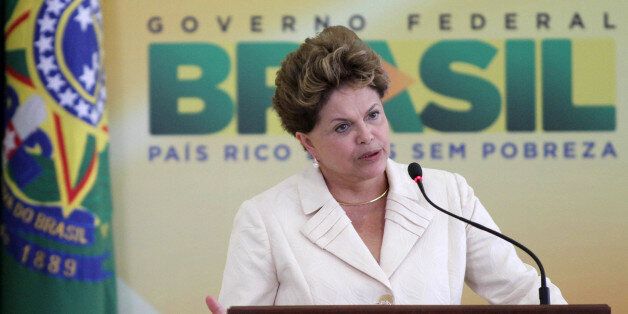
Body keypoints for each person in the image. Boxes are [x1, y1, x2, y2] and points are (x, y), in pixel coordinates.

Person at [206, 25, 566, 313]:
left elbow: (520, 290)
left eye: (373, 115)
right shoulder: (266, 219)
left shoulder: (446, 194)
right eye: (342, 127)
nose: (367, 136)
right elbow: (242, 311)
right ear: (307, 142)